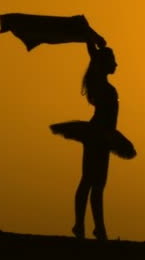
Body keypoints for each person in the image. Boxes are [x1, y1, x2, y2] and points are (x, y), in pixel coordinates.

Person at [50, 38, 136, 240]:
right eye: (112, 60)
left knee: (96, 183)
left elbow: (94, 56)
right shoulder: (100, 84)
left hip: (104, 135)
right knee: (90, 181)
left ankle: (95, 227)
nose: (116, 64)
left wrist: (93, 40)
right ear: (103, 64)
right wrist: (91, 36)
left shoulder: (103, 85)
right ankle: (84, 226)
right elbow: (94, 57)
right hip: (98, 134)